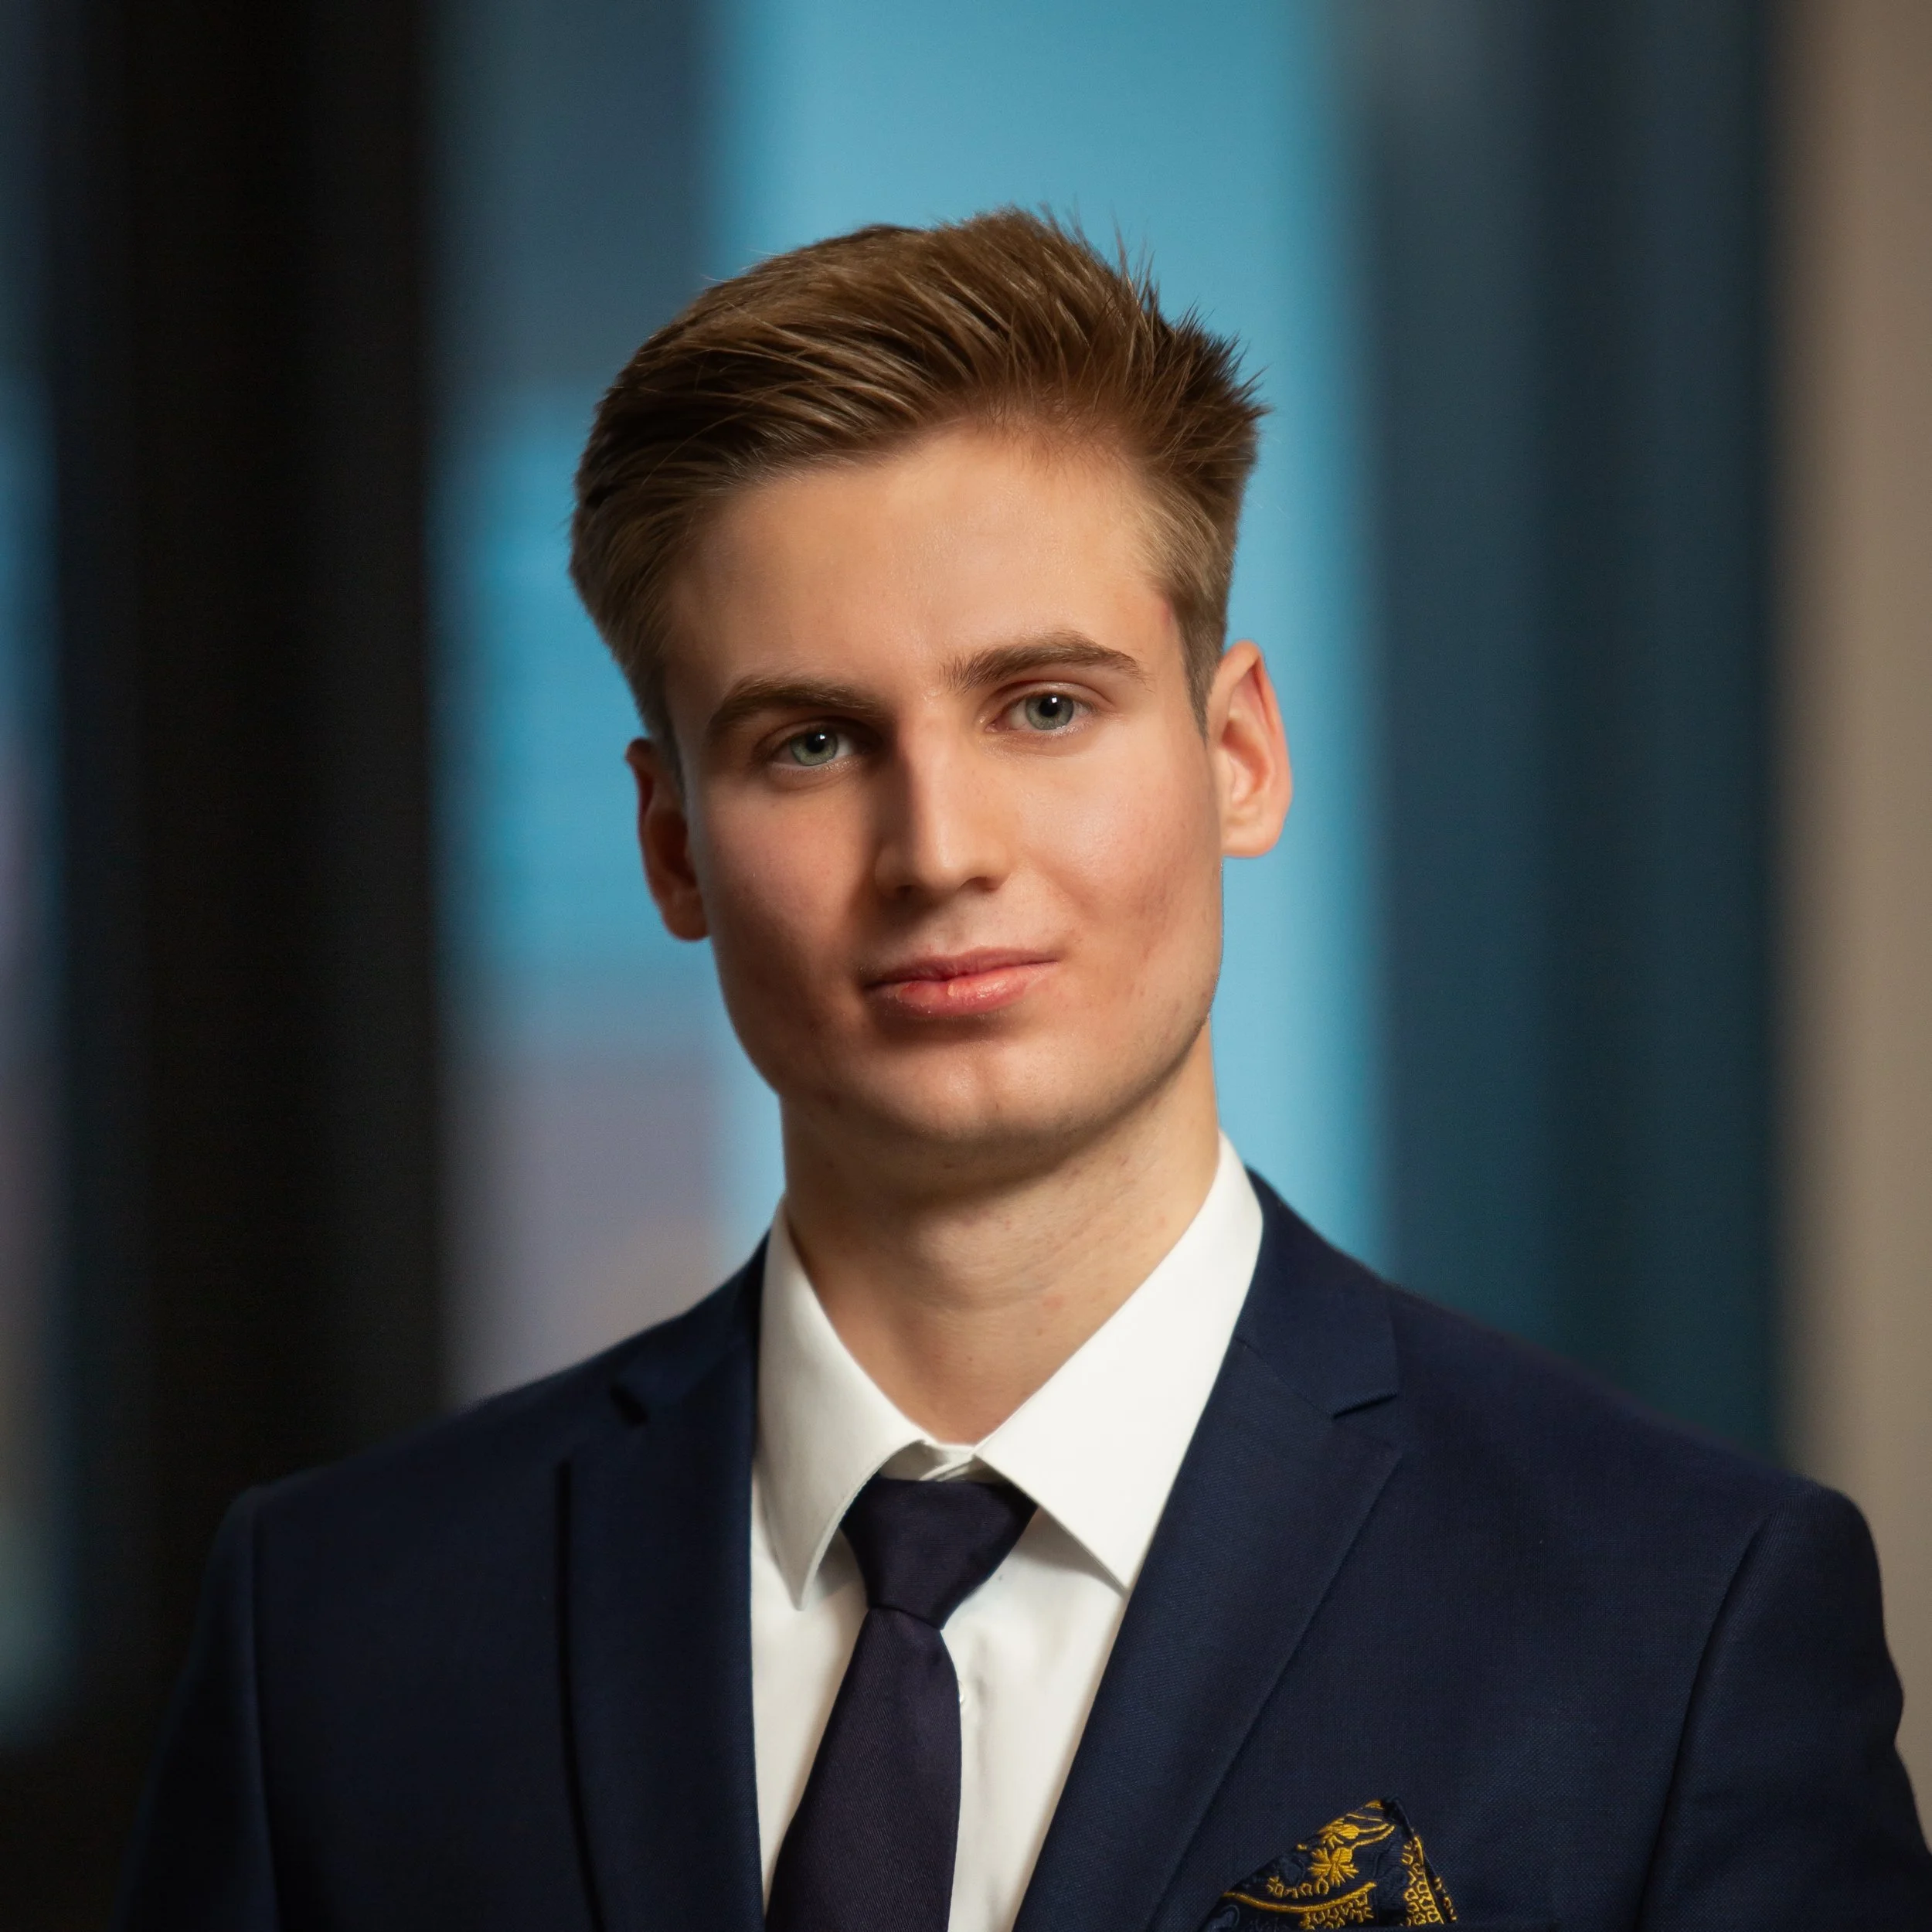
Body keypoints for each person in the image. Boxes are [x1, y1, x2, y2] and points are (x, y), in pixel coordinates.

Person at [117, 212, 1929, 1932]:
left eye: (1041, 706)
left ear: (1235, 755)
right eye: (810, 740)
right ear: (672, 843)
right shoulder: (342, 1628)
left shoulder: (1673, 1612)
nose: (939, 847)